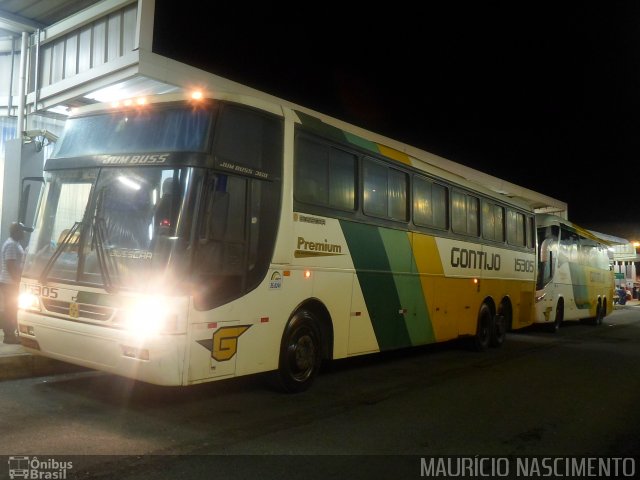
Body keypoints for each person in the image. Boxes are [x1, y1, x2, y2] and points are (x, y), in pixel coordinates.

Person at [0, 222, 28, 344]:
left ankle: (11, 334)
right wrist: (18, 282)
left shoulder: (15, 243)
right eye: (22, 231)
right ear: (16, 232)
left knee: (12, 308)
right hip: (10, 283)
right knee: (10, 309)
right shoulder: (11, 244)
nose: (24, 233)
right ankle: (9, 336)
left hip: (10, 282)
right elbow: (11, 266)